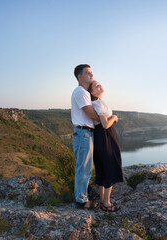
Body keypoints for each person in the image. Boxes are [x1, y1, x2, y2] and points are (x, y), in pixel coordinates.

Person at [88, 80, 123, 212]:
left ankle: (102, 201)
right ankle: (107, 204)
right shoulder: (98, 103)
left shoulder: (96, 103)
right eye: (96, 86)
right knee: (110, 166)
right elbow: (105, 125)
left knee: (102, 168)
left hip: (100, 137)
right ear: (92, 92)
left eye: (99, 84)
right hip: (106, 136)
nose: (100, 86)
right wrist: (114, 117)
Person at [71, 64, 101, 209]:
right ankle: (81, 201)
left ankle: (81, 198)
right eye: (88, 73)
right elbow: (90, 113)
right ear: (79, 76)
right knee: (84, 168)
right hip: (83, 133)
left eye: (91, 73)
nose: (91, 75)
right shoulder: (81, 92)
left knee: (84, 167)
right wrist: (105, 119)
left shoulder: (84, 92)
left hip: (85, 133)